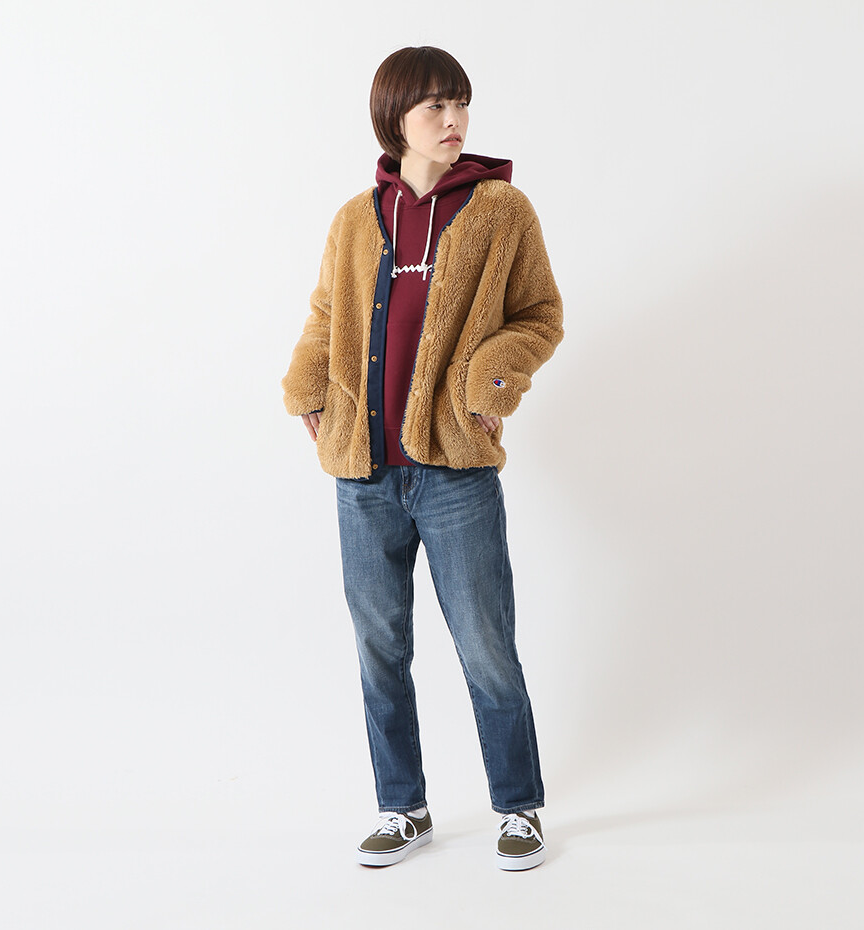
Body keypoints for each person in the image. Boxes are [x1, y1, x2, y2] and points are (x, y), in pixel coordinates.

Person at [282, 46, 563, 870]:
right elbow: (326, 315)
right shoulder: (355, 219)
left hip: (454, 472)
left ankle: (518, 807)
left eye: (460, 103)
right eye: (435, 106)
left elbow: (539, 314)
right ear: (394, 118)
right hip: (363, 473)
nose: (454, 120)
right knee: (380, 649)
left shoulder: (501, 210)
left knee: (486, 645)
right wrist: (307, 390)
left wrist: (490, 380)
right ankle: (402, 807)